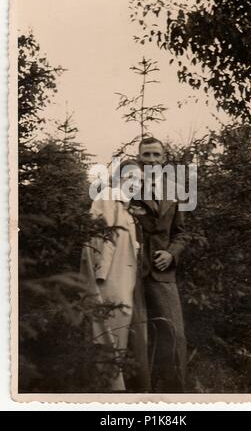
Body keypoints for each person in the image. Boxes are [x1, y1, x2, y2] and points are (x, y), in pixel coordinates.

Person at [80, 159, 150, 391]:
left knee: (116, 327)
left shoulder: (124, 204)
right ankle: (110, 389)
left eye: (139, 179)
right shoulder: (109, 196)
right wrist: (101, 275)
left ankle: (114, 385)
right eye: (130, 176)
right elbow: (104, 238)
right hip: (109, 276)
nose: (135, 183)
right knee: (108, 327)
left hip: (121, 275)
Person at [131, 136, 188, 392]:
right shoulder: (126, 188)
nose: (151, 160)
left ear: (163, 159)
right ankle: (137, 392)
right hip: (131, 273)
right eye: (147, 155)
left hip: (163, 273)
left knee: (173, 333)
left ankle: (175, 391)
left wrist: (171, 254)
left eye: (156, 155)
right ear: (139, 158)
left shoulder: (175, 190)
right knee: (135, 335)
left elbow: (182, 233)